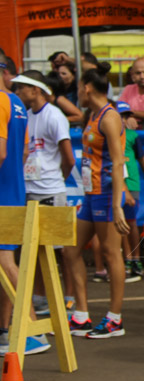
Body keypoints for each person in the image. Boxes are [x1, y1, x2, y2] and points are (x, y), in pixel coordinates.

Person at [63, 64, 131, 338]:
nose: (76, 92)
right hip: (90, 195)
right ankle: (81, 315)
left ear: (87, 88)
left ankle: (115, 319)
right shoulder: (91, 115)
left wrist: (117, 205)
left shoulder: (110, 116)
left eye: (78, 87)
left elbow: (117, 163)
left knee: (111, 253)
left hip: (107, 193)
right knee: (71, 251)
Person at [13, 71, 75, 325]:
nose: (17, 93)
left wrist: (56, 178)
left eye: (21, 88)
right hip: (30, 189)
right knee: (34, 248)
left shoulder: (55, 116)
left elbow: (68, 157)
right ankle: (40, 297)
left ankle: (68, 297)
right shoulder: (27, 116)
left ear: (35, 90)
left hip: (50, 189)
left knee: (59, 249)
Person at [0, 66, 50, 356]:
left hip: (4, 194)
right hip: (14, 190)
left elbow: (2, 152)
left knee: (6, 263)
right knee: (6, 263)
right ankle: (8, 330)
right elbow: (23, 153)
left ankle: (32, 330)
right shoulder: (17, 103)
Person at [115, 102, 144, 284]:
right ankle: (124, 261)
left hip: (131, 183)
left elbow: (142, 160)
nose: (125, 120)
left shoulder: (133, 136)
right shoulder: (110, 134)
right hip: (113, 183)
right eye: (122, 116)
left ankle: (135, 261)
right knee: (116, 224)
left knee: (131, 223)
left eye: (127, 116)